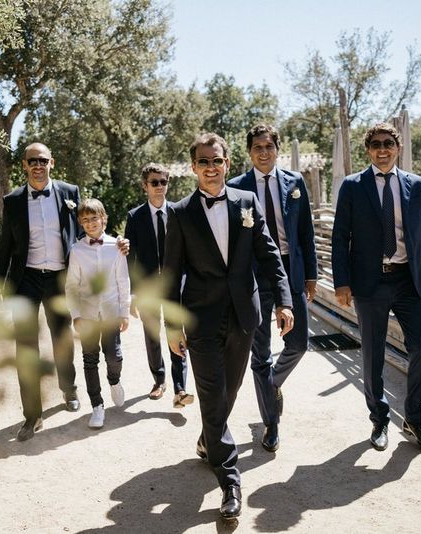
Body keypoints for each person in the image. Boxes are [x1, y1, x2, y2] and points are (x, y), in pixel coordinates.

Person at [164, 133, 294, 519]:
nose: (210, 167)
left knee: (230, 390)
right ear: (193, 167)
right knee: (211, 395)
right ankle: (231, 482)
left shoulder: (246, 202)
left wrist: (285, 300)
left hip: (243, 316)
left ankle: (209, 439)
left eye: (216, 161)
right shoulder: (180, 212)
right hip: (200, 318)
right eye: (203, 162)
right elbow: (170, 275)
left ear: (227, 162)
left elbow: (269, 254)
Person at [0, 142, 128, 441]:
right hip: (25, 279)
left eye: (43, 160)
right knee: (25, 347)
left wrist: (115, 242)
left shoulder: (69, 192)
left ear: (51, 163)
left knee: (62, 338)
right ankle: (32, 416)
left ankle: (69, 389)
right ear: (25, 165)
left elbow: (87, 230)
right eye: (32, 161)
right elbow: (5, 247)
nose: (38, 165)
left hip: (60, 278)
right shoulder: (13, 200)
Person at [331, 123, 421, 453]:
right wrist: (342, 282)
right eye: (376, 144)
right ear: (368, 149)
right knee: (373, 354)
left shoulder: (417, 186)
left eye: (389, 143)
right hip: (369, 282)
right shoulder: (352, 187)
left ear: (398, 148)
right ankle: (379, 419)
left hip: (408, 280)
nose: (383, 149)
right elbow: (340, 237)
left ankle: (414, 420)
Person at [227, 124, 318, 453]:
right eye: (257, 148)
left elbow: (305, 232)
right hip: (254, 276)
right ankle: (271, 424)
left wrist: (311, 275)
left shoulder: (295, 183)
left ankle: (271, 386)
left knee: (299, 343)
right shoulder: (236, 188)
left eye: (268, 146)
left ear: (276, 149)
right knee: (260, 353)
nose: (263, 152)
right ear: (249, 152)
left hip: (290, 273)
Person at [124, 163, 194, 408]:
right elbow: (130, 258)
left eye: (163, 182)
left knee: (176, 330)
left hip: (175, 284)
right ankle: (159, 379)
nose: (159, 187)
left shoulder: (179, 212)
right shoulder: (135, 216)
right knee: (152, 335)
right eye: (154, 182)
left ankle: (180, 387)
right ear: (145, 185)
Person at [66, 199, 130, 429]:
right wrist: (76, 315)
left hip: (112, 311)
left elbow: (123, 281)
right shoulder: (77, 250)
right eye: (85, 220)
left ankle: (115, 380)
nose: (91, 223)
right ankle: (97, 406)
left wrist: (125, 312)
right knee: (89, 359)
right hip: (88, 314)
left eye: (94, 218)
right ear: (81, 224)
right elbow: (72, 286)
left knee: (113, 356)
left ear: (103, 218)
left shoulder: (116, 247)